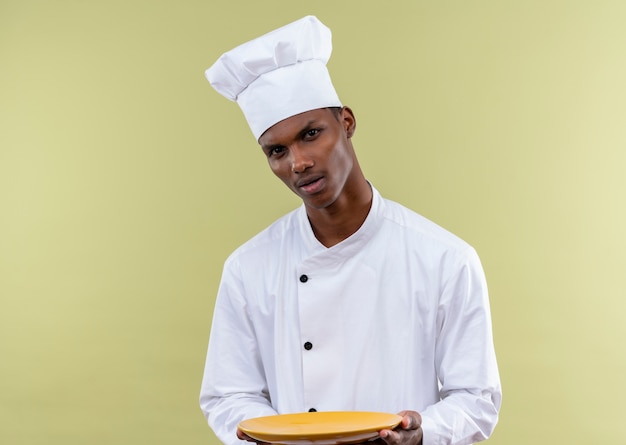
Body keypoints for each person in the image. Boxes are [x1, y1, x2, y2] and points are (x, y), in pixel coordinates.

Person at [200, 15, 501, 445]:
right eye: (277, 151)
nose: (298, 163)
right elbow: (228, 395)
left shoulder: (445, 259)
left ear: (347, 122)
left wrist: (423, 433)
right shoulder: (248, 267)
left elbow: (476, 398)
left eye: (311, 134)